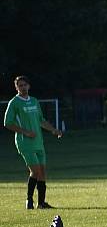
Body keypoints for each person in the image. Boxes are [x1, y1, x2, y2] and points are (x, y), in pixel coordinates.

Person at [4, 75, 63, 209]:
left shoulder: (34, 101)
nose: (23, 87)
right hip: (25, 142)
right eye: (20, 85)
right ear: (16, 87)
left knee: (42, 171)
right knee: (35, 171)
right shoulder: (14, 103)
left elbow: (41, 120)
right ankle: (29, 200)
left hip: (38, 142)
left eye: (25, 85)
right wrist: (25, 132)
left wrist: (53, 130)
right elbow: (7, 123)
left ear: (29, 86)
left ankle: (41, 203)